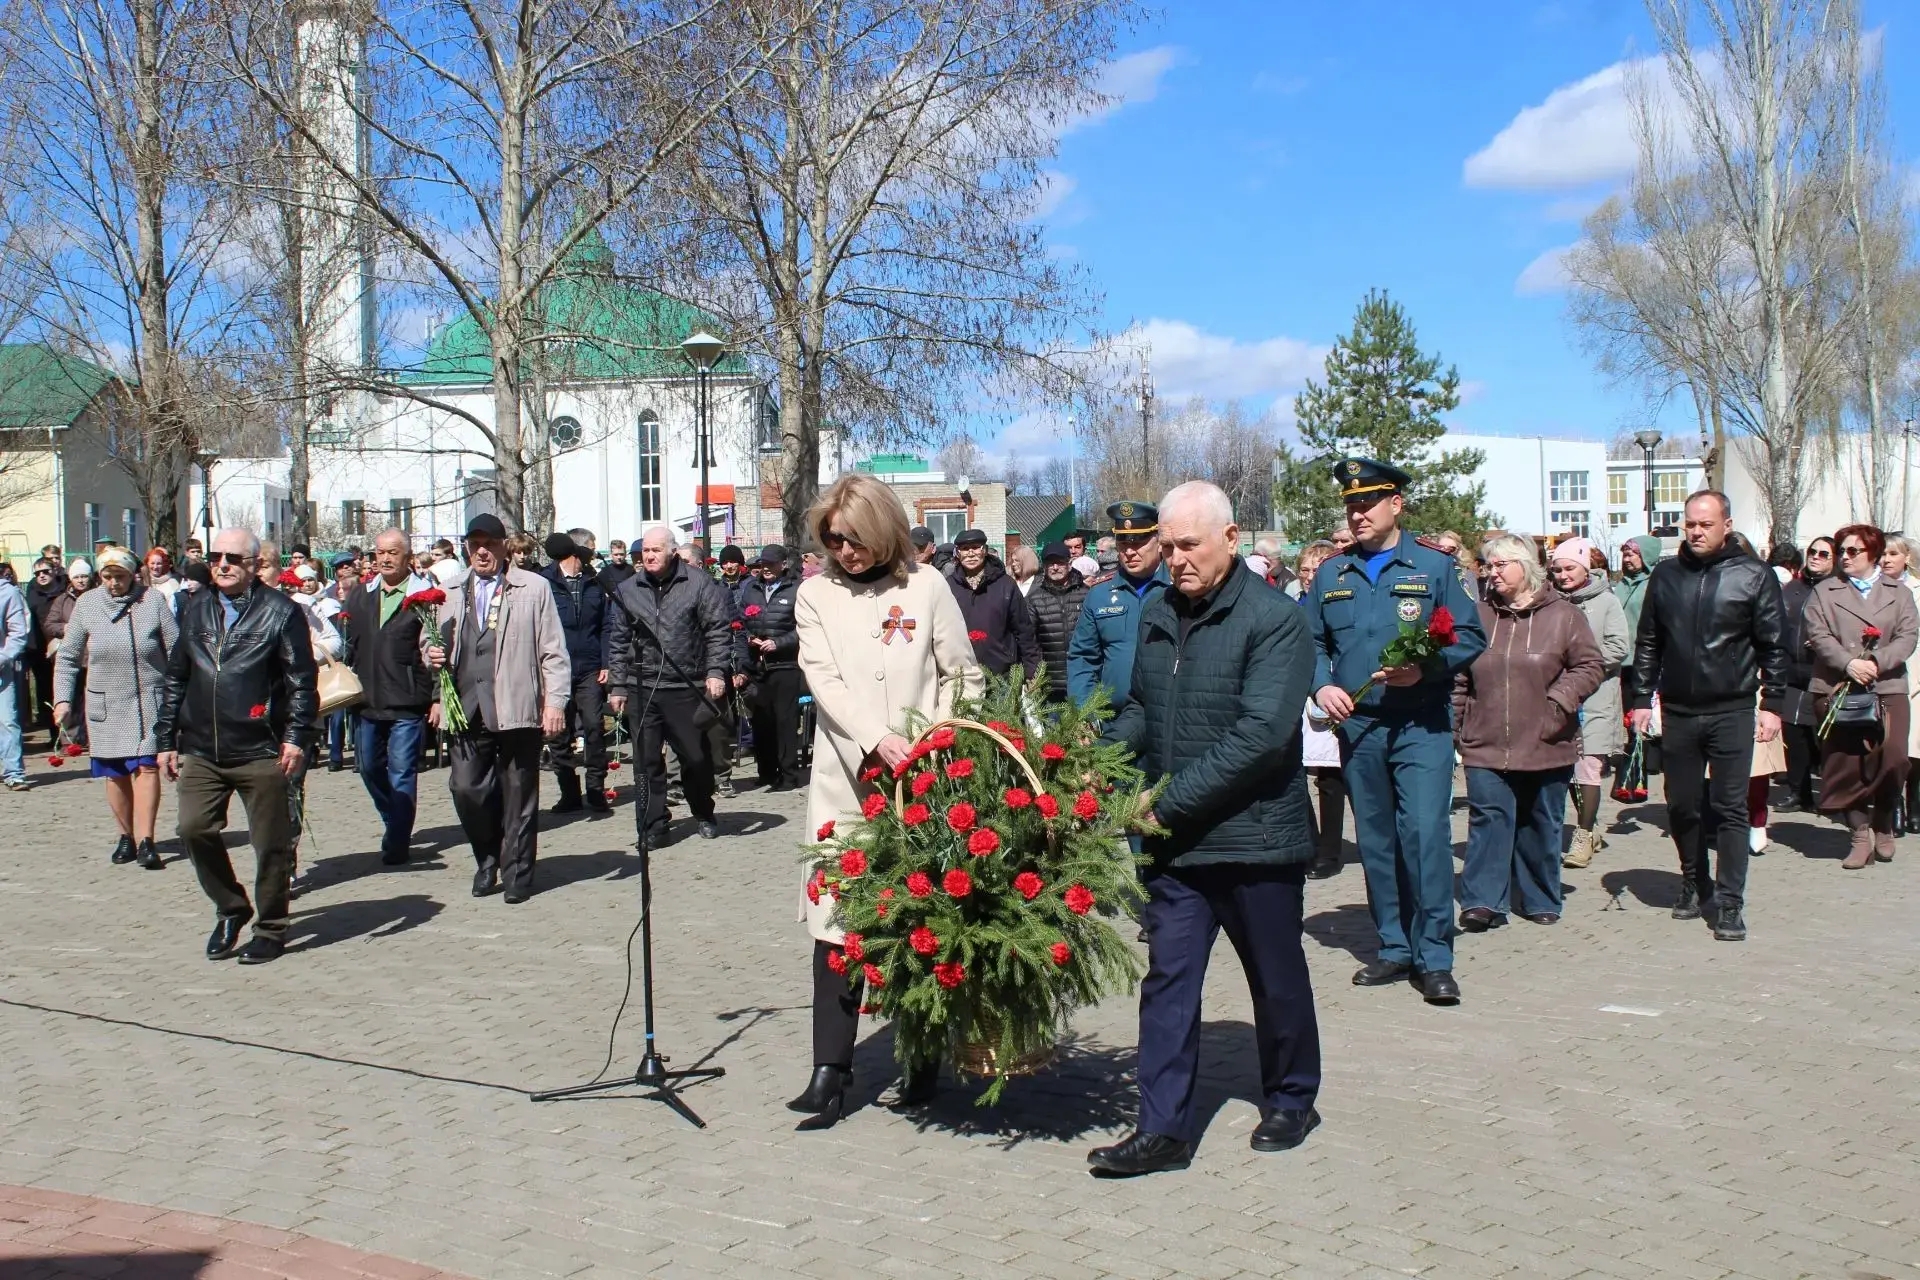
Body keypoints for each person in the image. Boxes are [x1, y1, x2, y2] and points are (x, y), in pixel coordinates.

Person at [1085, 481, 1321, 1177]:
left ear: (1231, 537)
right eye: (1168, 545)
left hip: (1255, 841)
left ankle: (1290, 1096)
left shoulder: (1276, 619)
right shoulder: (1157, 611)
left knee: (1276, 979)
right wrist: (1097, 757)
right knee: (1168, 982)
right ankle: (1162, 1130)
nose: (1176, 558)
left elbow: (1262, 736)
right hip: (1179, 848)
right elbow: (1142, 708)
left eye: (1189, 544)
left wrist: (1167, 804)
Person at [788, 473, 982, 1130]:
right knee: (837, 927)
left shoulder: (926, 587)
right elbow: (827, 684)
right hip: (846, 785)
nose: (846, 553)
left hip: (924, 785)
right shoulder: (814, 596)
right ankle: (829, 1070)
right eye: (835, 541)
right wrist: (878, 741)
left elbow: (962, 675)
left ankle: (921, 1052)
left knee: (917, 920)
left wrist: (934, 741)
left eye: (857, 540)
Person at [1305, 459, 1486, 1004]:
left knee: (1426, 835)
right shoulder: (1333, 575)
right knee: (1378, 841)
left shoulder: (1434, 568)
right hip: (1359, 727)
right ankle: (1393, 947)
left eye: (1367, 503)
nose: (1357, 513)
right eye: (1350, 505)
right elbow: (1309, 642)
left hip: (1419, 724)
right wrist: (1321, 687)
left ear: (1396, 505)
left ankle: (1434, 955)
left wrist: (1426, 669)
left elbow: (1470, 637)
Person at [1630, 492, 1788, 942]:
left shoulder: (1752, 575)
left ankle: (1730, 901)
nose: (1696, 532)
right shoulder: (1666, 574)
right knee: (1682, 805)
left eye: (1705, 524)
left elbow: (1774, 644)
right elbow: (1648, 641)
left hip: (1732, 708)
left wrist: (1772, 703)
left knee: (1730, 807)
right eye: (1689, 524)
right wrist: (1642, 697)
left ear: (1726, 524)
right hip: (1679, 709)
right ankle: (1693, 880)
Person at [155, 529, 317, 964]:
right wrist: (166, 739)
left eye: (233, 558)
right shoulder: (196, 607)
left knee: (271, 844)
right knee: (193, 829)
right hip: (203, 748)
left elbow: (302, 683)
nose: (222, 565)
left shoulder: (280, 612)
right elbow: (176, 677)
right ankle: (232, 907)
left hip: (260, 747)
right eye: (216, 557)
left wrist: (296, 738)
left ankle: (270, 928)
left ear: (252, 564)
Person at [1454, 535, 1604, 930]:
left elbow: (1589, 666)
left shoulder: (1564, 616)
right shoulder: (1479, 615)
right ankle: (1484, 900)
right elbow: (1460, 676)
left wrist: (1557, 703)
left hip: (1545, 738)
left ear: (1526, 566)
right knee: (1488, 819)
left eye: (1501, 564)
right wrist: (1453, 728)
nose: (1492, 572)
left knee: (1541, 820)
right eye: (1488, 565)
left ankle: (1539, 895)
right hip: (1485, 740)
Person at [423, 514, 571, 902]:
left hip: (517, 706)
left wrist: (554, 702)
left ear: (505, 545)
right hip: (466, 707)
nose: (482, 551)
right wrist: (431, 657)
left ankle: (518, 872)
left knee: (519, 793)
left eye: (489, 543)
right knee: (466, 787)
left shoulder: (533, 587)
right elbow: (429, 642)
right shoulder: (450, 591)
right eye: (475, 545)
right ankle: (487, 856)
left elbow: (554, 651)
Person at [606, 524, 733, 847]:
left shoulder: (698, 584)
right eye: (645, 551)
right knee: (646, 762)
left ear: (672, 551)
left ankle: (703, 810)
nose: (649, 556)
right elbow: (618, 641)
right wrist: (618, 686)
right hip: (642, 688)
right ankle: (653, 826)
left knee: (695, 758)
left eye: (655, 550)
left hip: (685, 686)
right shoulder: (629, 589)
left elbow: (717, 630)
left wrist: (716, 672)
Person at [52, 546, 178, 868]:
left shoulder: (152, 601)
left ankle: (147, 840)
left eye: (119, 576)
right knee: (116, 772)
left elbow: (176, 649)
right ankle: (126, 837)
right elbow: (67, 657)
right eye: (106, 577)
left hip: (148, 700)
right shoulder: (87, 604)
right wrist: (63, 699)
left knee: (147, 767)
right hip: (105, 703)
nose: (113, 583)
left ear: (133, 574)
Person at [1804, 524, 1917, 869]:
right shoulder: (1826, 591)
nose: (1846, 557)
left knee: (1895, 757)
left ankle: (1883, 817)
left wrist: (1875, 662)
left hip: (1887, 685)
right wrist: (1848, 663)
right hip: (1838, 688)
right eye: (1842, 551)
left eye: (1854, 551)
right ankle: (1859, 833)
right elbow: (1817, 632)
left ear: (1873, 553)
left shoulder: (1898, 592)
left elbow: (1908, 635)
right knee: (1846, 764)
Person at [340, 528, 435, 867]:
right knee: (367, 767)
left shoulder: (424, 596)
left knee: (402, 771)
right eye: (379, 552)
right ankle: (394, 819)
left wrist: (436, 696)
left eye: (392, 552)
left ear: (407, 557)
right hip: (367, 700)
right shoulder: (361, 596)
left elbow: (434, 650)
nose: (384, 558)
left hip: (407, 700)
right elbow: (348, 645)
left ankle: (397, 841)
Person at [1549, 538, 1630, 870]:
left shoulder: (1606, 601)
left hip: (1596, 695)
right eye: (1558, 569)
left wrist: (1585, 664)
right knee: (1568, 766)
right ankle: (1591, 825)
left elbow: (1619, 646)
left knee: (1589, 767)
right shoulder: (1551, 602)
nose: (1563, 575)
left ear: (1585, 568)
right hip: (1561, 695)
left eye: (1570, 568)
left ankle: (1582, 834)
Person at [1068, 500, 1169, 718]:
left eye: (1139, 542)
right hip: (1113, 719)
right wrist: (1084, 715)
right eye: (1123, 543)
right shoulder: (1100, 594)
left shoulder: (1178, 589)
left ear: (1159, 541)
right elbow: (1083, 658)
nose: (1130, 551)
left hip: (1167, 718)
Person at [539, 532, 611, 814]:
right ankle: (569, 791)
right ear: (576, 549)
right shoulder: (546, 581)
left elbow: (606, 624)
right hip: (556, 669)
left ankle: (595, 789)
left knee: (594, 726)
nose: (594, 554)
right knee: (559, 732)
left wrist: (606, 662)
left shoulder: (595, 582)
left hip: (589, 667)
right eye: (591, 549)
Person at [1292, 541, 1346, 878]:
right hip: (1297, 696)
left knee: (1331, 776)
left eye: (1317, 570)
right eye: (1305, 570)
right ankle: (1307, 843)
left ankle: (1329, 850)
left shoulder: (1337, 603)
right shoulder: (1290, 604)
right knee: (1295, 771)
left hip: (1331, 693)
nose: (1311, 577)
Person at [739, 544, 805, 791]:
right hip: (758, 665)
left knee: (785, 720)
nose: (765, 568)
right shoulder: (751, 590)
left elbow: (804, 627)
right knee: (761, 720)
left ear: (783, 564)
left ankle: (788, 774)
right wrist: (748, 637)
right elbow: (741, 620)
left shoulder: (797, 589)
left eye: (770, 563)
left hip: (785, 664)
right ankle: (766, 771)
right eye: (762, 564)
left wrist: (779, 643)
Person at [1777, 538, 1831, 814]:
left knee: (1823, 738)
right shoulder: (1792, 589)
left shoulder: (1837, 589)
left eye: (1824, 553)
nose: (1816, 557)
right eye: (1812, 552)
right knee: (1794, 735)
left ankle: (1835, 796)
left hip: (1824, 674)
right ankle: (1799, 793)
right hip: (1791, 672)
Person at [945, 529, 1036, 679]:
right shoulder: (948, 586)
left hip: (1002, 674)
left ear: (985, 551)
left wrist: (1031, 672)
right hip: (961, 675)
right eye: (965, 549)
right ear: (958, 553)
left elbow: (1024, 631)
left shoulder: (1005, 585)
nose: (970, 553)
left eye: (975, 547)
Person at [1611, 535, 1662, 802]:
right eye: (1625, 553)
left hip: (1644, 663)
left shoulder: (1654, 585)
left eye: (1632, 553)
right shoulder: (1618, 586)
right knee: (1625, 723)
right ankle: (1626, 776)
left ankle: (1638, 778)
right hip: (1619, 663)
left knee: (1640, 723)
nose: (1627, 558)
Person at [1879, 535, 1920, 831]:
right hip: (1885, 675)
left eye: (1893, 553)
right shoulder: (1870, 591)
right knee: (1892, 747)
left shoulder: (1917, 591)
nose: (1886, 559)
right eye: (1882, 553)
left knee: (1916, 747)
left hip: (1917, 673)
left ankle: (1914, 805)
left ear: (1907, 557)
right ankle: (1892, 806)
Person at [1026, 542, 1089, 701]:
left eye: (1060, 562)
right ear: (1044, 566)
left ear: (1069, 563)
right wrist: (1035, 675)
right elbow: (1029, 641)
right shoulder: (1034, 599)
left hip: (1083, 678)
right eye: (1050, 563)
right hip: (1050, 683)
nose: (1055, 567)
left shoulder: (1086, 594)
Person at [24, 559, 66, 745]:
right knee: (45, 694)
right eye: (37, 573)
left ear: (55, 571)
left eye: (45, 572)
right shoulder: (32, 596)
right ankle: (53, 735)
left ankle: (70, 734)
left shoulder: (64, 593)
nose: (41, 575)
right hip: (40, 653)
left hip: (63, 649)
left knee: (64, 692)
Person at [0, 567, 28, 790]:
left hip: (2, 670)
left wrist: (3, 657)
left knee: (8, 720)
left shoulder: (8, 593)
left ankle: (13, 772)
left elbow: (18, 632)